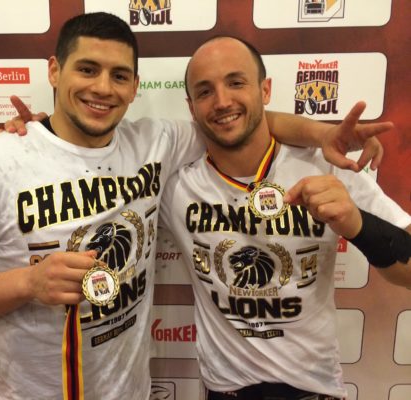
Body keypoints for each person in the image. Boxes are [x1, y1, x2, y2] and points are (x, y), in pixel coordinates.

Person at [0, 12, 393, 400]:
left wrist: (322, 134)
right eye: (86, 69)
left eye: (119, 75)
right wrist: (27, 282)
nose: (103, 88)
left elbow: (238, 120)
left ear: (135, 85)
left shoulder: (154, 143)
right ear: (54, 71)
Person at [158, 36, 411, 400]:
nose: (223, 101)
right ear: (191, 107)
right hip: (224, 391)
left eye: (236, 82)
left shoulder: (328, 166)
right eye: (205, 91)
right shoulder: (176, 186)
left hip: (312, 390)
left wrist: (357, 225)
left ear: (265, 89)